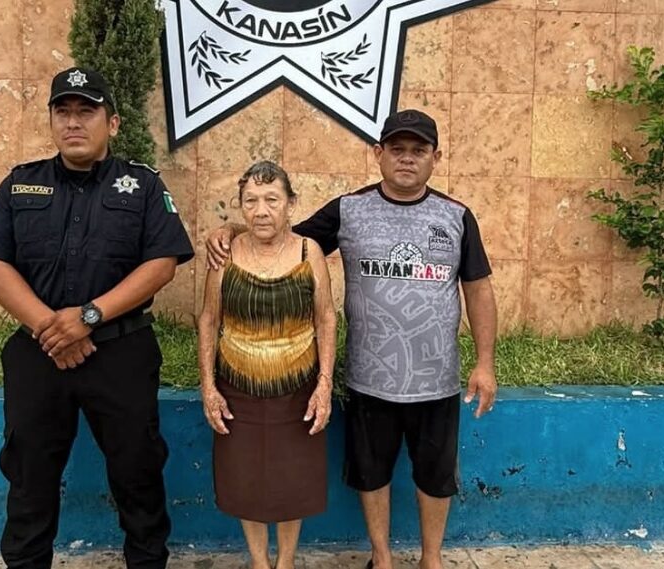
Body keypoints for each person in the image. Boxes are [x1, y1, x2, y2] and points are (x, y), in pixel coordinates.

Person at [206, 110, 498, 569]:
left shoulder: (457, 216)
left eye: (418, 150)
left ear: (436, 158)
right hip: (370, 376)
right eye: (396, 149)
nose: (407, 159)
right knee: (371, 472)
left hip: (436, 377)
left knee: (436, 475)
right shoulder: (349, 210)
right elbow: (286, 236)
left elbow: (478, 289)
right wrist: (234, 230)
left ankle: (431, 559)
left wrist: (485, 362)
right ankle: (381, 558)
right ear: (378, 154)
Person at [0, 66, 194, 569]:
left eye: (86, 111)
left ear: (112, 123)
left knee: (138, 473)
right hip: (39, 354)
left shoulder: (143, 186)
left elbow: (162, 263)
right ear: (51, 121)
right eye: (62, 111)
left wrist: (87, 317)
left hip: (121, 353)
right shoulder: (20, 184)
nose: (73, 122)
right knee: (29, 477)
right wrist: (52, 329)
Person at [197, 161, 337, 569]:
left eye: (272, 200)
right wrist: (209, 387)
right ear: (240, 207)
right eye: (251, 201)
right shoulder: (225, 255)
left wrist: (324, 383)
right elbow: (209, 319)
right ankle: (260, 561)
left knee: (292, 480)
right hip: (238, 390)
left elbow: (326, 318)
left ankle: (286, 561)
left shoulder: (309, 252)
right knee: (246, 479)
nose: (261, 211)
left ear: (290, 204)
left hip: (298, 390)